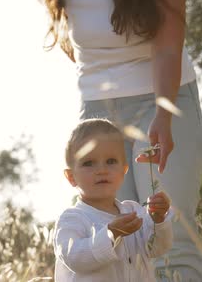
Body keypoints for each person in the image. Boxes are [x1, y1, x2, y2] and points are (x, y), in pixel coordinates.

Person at [43, 0, 202, 280]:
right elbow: (78, 48)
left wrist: (164, 114)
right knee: (112, 237)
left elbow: (168, 47)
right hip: (97, 113)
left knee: (170, 233)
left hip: (162, 101)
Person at [54, 118, 173, 282]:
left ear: (124, 170)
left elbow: (157, 249)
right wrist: (111, 234)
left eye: (110, 161)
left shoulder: (133, 211)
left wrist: (157, 219)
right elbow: (74, 258)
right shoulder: (72, 219)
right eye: (89, 163)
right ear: (71, 177)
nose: (101, 170)